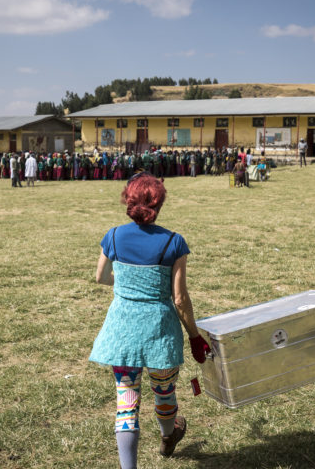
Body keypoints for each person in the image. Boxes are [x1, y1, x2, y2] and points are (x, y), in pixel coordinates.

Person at [89, 172, 210, 469]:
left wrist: (127, 282)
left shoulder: (113, 236)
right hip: (160, 332)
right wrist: (195, 337)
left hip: (123, 332)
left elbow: (101, 277)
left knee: (126, 402)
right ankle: (168, 436)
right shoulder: (174, 242)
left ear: (128, 201)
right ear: (159, 204)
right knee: (164, 391)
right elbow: (179, 298)